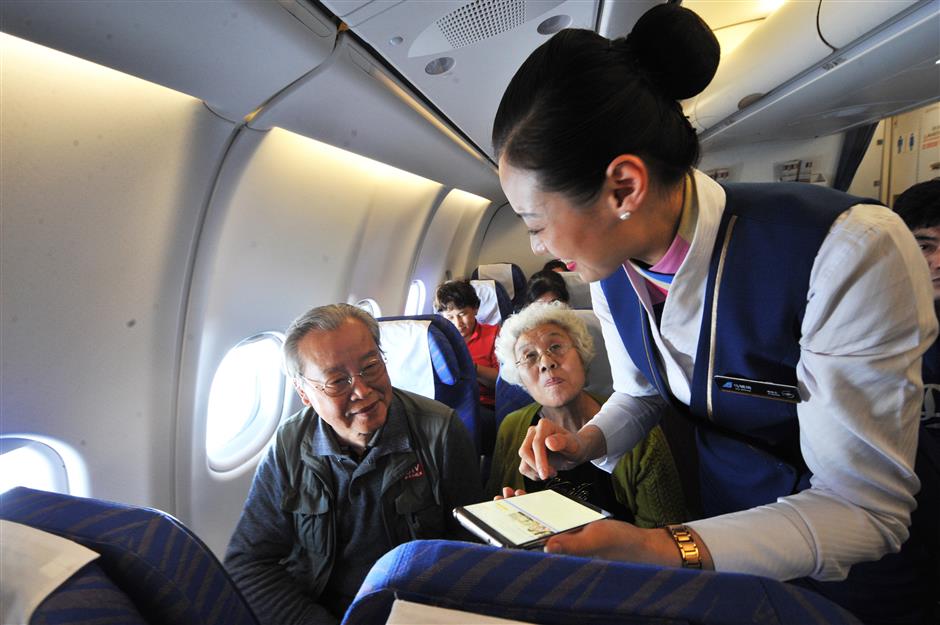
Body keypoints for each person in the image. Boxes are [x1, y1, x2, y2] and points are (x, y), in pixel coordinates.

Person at [491, 4, 936, 623]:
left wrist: (657, 548)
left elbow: (865, 509)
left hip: (857, 577)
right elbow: (644, 392)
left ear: (624, 187)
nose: (538, 246)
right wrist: (585, 442)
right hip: (722, 541)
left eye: (536, 223)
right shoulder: (613, 272)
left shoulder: (847, 249)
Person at [224, 304, 482, 625]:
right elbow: (249, 563)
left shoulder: (440, 432)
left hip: (410, 610)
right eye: (337, 381)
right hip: (314, 609)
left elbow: (470, 555)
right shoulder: (289, 445)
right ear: (304, 393)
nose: (362, 389)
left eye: (371, 366)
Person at [486, 302, 686, 527]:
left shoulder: (640, 431)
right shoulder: (511, 428)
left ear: (582, 355)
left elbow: (665, 534)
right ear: (520, 378)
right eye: (529, 356)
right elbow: (498, 515)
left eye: (556, 347)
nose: (546, 362)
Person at [434, 280, 499, 441]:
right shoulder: (437, 340)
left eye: (462, 314)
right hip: (445, 405)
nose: (458, 323)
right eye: (450, 317)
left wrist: (471, 368)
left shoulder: (495, 335)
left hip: (482, 405)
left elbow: (502, 382)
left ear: (475, 309)